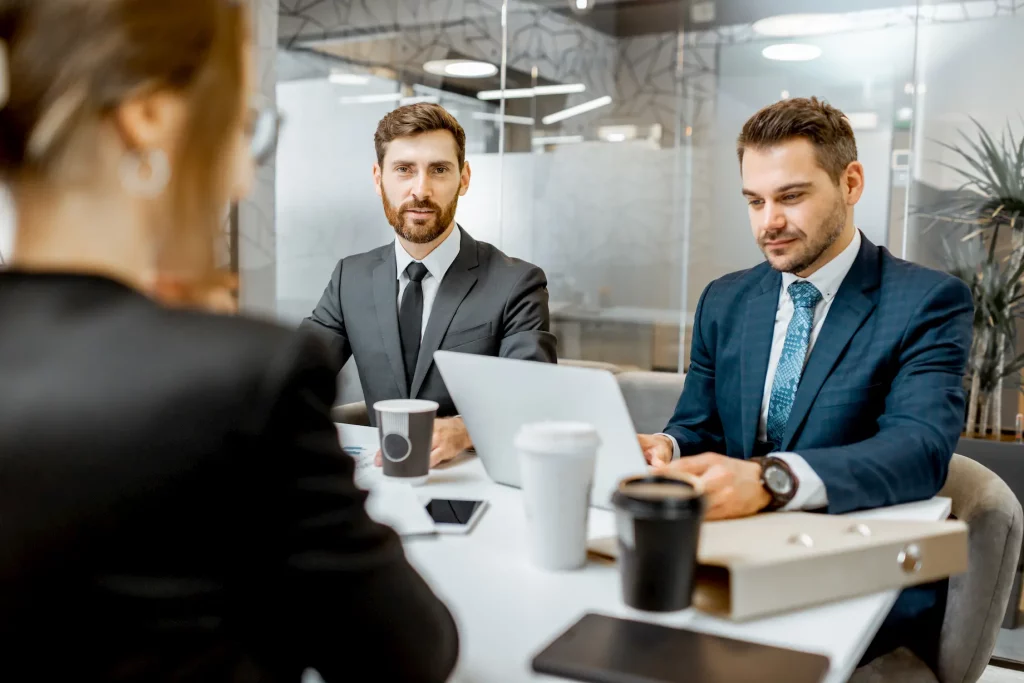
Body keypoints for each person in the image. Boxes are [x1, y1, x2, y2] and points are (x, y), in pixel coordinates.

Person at [0, 1, 458, 681]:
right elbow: (410, 653)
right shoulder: (243, 377)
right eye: (241, 127)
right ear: (149, 116)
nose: (242, 177)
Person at [638, 97, 973, 671]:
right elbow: (697, 425)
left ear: (851, 183)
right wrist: (665, 448)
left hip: (854, 570)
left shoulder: (926, 302)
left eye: (791, 197)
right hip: (730, 552)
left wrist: (772, 480)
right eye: (754, 200)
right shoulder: (726, 299)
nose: (768, 222)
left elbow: (919, 450)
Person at [301, 103, 557, 467]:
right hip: (382, 478)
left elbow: (535, 397)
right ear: (378, 179)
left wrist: (463, 430)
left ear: (464, 178)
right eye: (404, 170)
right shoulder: (350, 278)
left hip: (475, 479)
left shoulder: (517, 283)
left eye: (439, 170)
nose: (421, 190)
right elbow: (297, 374)